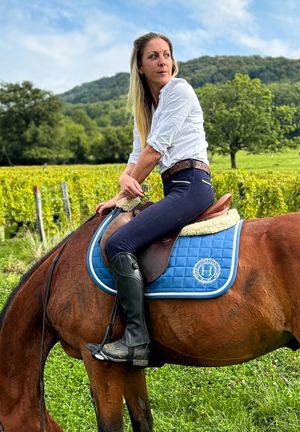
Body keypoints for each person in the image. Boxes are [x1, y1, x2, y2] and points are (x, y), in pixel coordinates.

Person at [87, 32, 215, 367]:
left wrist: (129, 180)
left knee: (120, 244)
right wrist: (120, 194)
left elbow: (155, 150)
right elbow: (136, 153)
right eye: (154, 57)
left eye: (167, 55)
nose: (163, 62)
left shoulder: (178, 90)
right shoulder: (146, 107)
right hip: (176, 187)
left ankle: (136, 340)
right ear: (140, 67)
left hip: (192, 185)